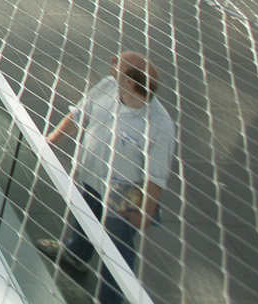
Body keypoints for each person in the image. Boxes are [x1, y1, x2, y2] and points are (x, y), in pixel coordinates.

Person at [39, 52, 176, 304]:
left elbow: (156, 176)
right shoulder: (108, 86)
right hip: (92, 174)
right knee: (86, 216)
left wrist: (144, 213)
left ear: (130, 82)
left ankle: (110, 299)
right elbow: (79, 114)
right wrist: (52, 140)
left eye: (118, 63)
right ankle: (76, 255)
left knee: (117, 249)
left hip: (124, 193)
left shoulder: (160, 126)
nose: (113, 62)